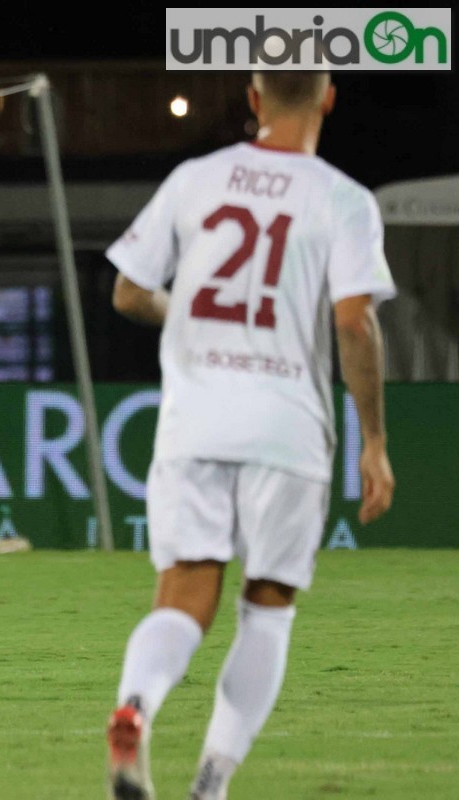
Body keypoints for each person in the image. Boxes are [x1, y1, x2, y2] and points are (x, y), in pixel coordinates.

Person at [102, 71, 396, 799]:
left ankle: (135, 708)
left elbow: (129, 291)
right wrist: (374, 440)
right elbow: (355, 322)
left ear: (255, 99)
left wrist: (193, 319)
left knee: (182, 597)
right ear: (327, 98)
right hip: (286, 428)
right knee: (267, 609)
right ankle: (211, 782)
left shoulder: (194, 179)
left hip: (195, 420)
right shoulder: (344, 199)